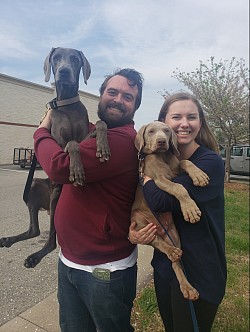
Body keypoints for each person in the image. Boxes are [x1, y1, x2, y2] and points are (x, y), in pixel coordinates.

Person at [33, 68, 144, 332]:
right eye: (112, 92)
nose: (118, 99)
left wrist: (40, 132)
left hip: (103, 271)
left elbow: (60, 167)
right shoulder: (95, 132)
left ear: (135, 106)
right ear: (101, 95)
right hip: (70, 260)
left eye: (127, 97)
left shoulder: (121, 140)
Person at [129, 92, 227, 332]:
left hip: (200, 268)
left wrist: (147, 176)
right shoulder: (163, 158)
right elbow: (146, 205)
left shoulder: (210, 162)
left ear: (200, 123)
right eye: (176, 117)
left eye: (191, 117)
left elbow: (160, 201)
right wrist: (134, 235)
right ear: (165, 121)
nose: (184, 123)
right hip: (167, 263)